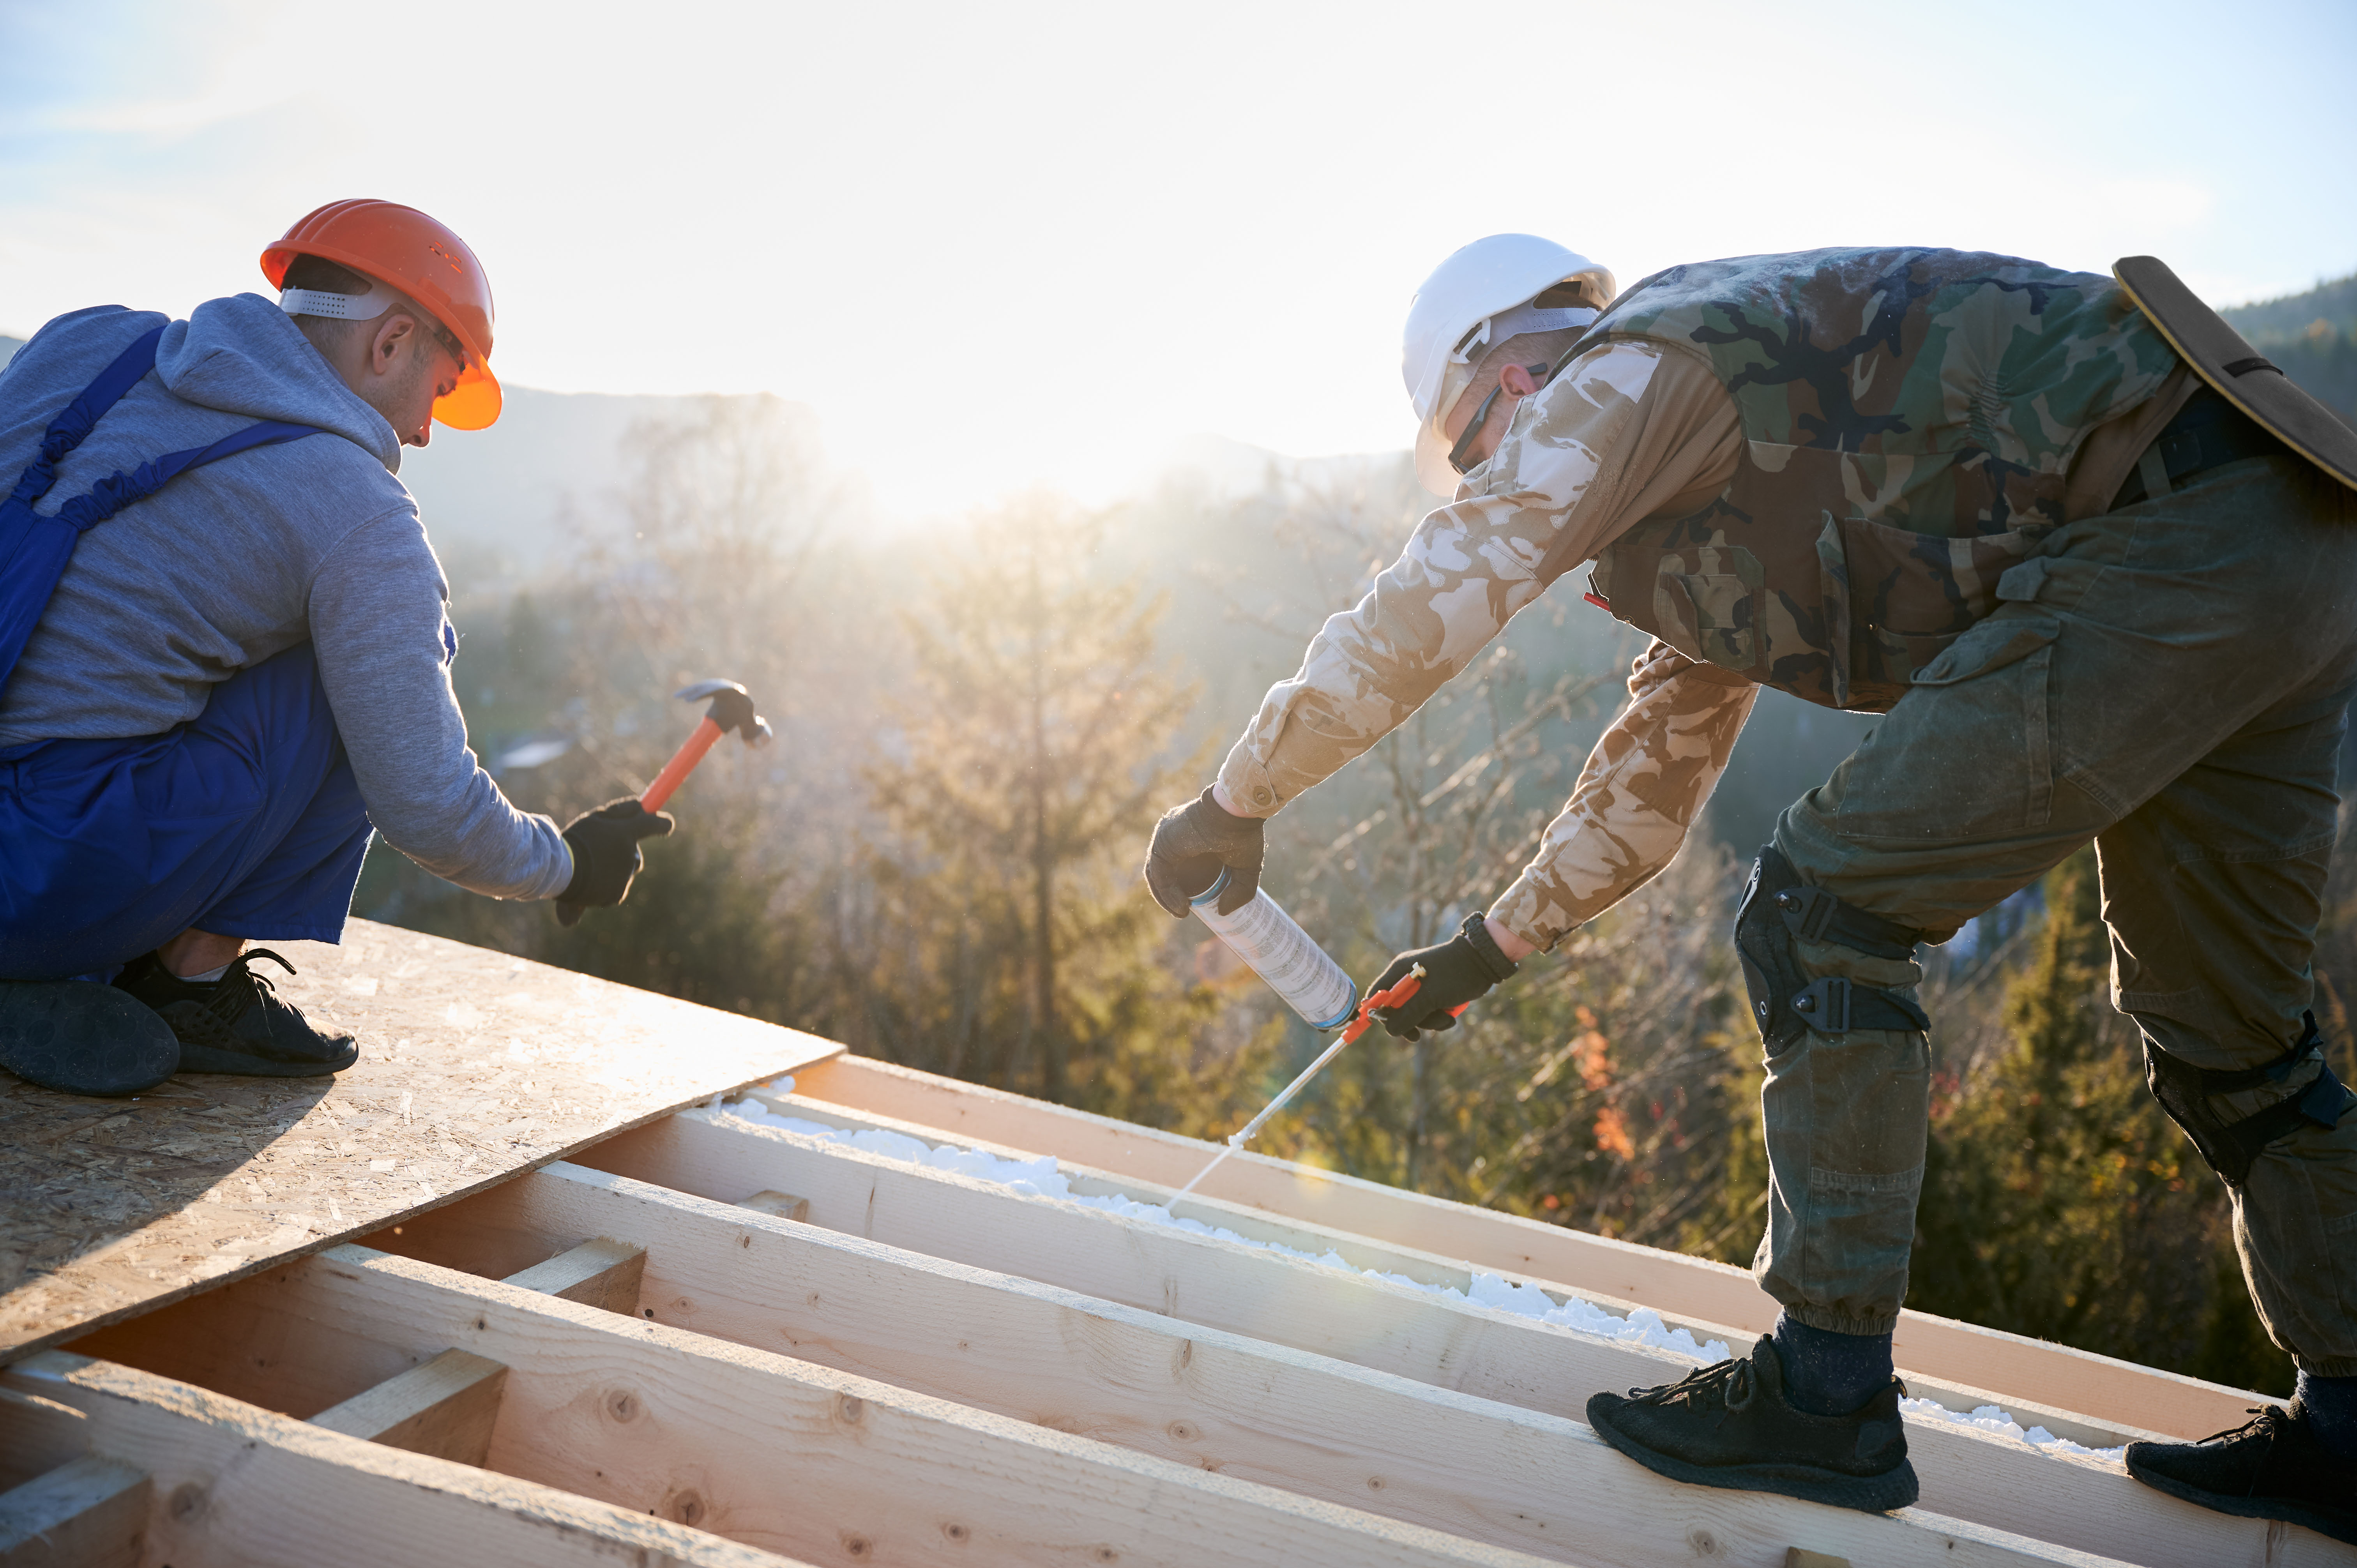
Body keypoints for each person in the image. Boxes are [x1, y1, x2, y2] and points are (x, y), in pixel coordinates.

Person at [1143, 237, 2357, 1540]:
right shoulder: (1706, 436)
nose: (1491, 473)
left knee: (1821, 912)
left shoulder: (1620, 380)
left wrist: (1232, 801)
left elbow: (1439, 590)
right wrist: (1484, 950)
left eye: (1473, 446)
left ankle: (1823, 1391)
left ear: (1507, 377)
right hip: (2287, 535)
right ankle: (2355, 1426)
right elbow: (1651, 772)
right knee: (2229, 1034)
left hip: (2163, 533)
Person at [0, 200, 671, 1099]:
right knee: (357, 665)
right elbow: (424, 802)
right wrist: (565, 862)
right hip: (38, 876)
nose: (425, 434)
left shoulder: (83, 345)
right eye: (437, 391)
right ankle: (184, 981)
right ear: (390, 342)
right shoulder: (360, 516)